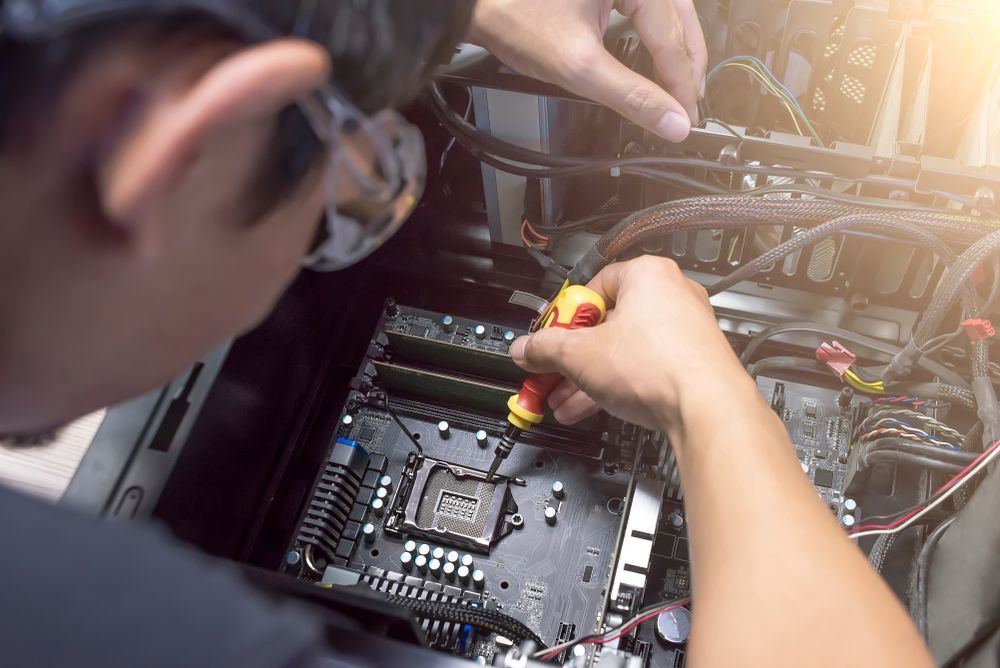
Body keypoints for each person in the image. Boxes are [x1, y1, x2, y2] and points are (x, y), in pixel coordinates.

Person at [0, 0, 931, 666]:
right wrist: (707, 397)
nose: (333, 237)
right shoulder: (106, 627)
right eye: (348, 202)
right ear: (184, 146)